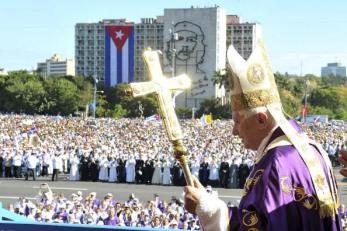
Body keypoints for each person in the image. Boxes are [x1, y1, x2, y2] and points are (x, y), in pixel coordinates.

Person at [184, 39, 342, 230]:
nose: (234, 131)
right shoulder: (313, 149)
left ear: (261, 119)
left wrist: (208, 209)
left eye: (238, 121)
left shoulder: (275, 163)